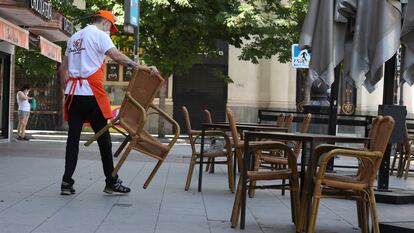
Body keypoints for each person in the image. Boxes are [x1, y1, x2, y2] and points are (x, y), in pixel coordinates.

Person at [58, 10, 159, 195]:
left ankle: (66, 182)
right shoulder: (98, 35)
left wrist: (67, 90)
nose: (110, 32)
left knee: (72, 140)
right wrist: (142, 67)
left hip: (73, 95)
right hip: (91, 95)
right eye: (110, 28)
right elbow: (118, 57)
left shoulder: (74, 38)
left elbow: (63, 68)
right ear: (105, 22)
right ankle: (111, 182)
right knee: (104, 140)